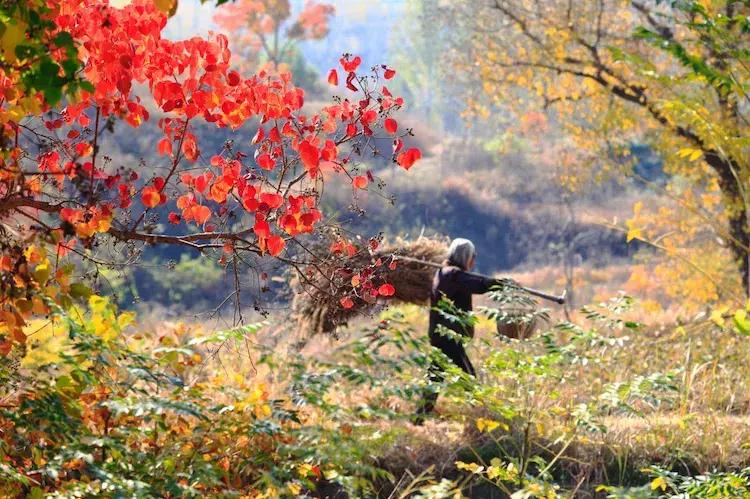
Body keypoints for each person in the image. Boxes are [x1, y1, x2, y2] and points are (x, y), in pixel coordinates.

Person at [415, 238, 501, 422]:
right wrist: (495, 283)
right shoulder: (452, 275)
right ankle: (483, 419)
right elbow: (476, 284)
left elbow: (471, 281)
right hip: (448, 338)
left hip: (440, 335)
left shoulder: (445, 273)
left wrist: (492, 283)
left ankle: (418, 419)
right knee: (469, 378)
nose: (474, 261)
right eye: (472, 257)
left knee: (435, 378)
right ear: (465, 257)